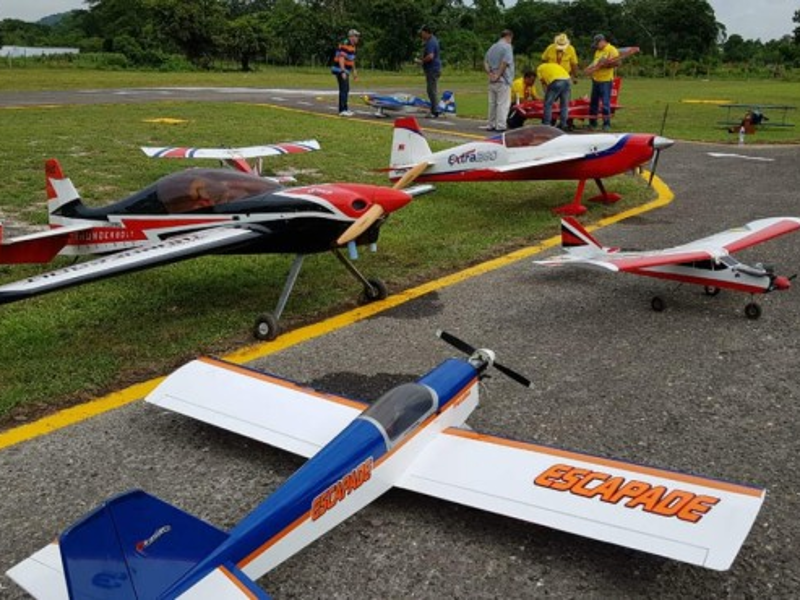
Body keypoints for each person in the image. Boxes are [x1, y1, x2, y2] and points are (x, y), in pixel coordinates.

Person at [483, 29, 515, 132]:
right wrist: (498, 74)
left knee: (492, 103)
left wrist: (490, 74)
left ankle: (491, 124)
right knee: (502, 103)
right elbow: (505, 62)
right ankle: (500, 125)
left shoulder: (493, 47)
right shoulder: (507, 47)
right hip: (503, 79)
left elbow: (485, 61)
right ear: (508, 37)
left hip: (492, 79)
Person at [588, 33, 619, 131]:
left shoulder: (612, 50)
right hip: (596, 79)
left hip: (605, 80)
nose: (596, 46)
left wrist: (606, 64)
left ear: (602, 41)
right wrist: (590, 69)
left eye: (597, 44)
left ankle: (606, 124)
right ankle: (593, 123)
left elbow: (618, 63)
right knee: (593, 102)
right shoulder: (598, 51)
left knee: (605, 103)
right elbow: (595, 62)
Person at [331, 29, 360, 117]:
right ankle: (342, 110)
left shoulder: (353, 46)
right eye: (356, 36)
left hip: (346, 70)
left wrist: (354, 71)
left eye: (357, 36)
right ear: (351, 37)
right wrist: (342, 71)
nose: (357, 38)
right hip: (340, 69)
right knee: (344, 89)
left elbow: (352, 59)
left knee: (346, 89)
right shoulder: (345, 44)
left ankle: (345, 108)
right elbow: (341, 58)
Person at [536, 62, 572, 130]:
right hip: (568, 80)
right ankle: (563, 124)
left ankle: (546, 124)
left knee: (548, 104)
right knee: (564, 105)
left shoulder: (539, 69)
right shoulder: (554, 65)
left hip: (556, 81)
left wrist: (546, 95)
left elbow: (543, 83)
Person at [416, 25, 442, 118]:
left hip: (432, 69)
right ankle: (434, 109)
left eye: (422, 32)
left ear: (426, 32)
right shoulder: (432, 40)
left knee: (431, 90)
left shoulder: (431, 42)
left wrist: (421, 61)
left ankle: (435, 111)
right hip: (433, 69)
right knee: (431, 89)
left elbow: (430, 56)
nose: (421, 34)